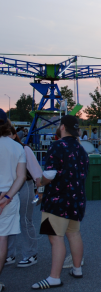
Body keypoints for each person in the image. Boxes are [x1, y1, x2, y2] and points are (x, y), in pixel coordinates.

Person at [31, 115, 88, 289]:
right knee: (74, 234)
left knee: (56, 238)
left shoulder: (57, 146)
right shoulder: (81, 149)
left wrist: (39, 182)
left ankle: (54, 277)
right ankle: (77, 269)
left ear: (62, 127)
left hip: (57, 200)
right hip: (77, 200)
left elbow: (49, 175)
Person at [6, 130, 43, 268]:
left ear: (14, 135)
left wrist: (40, 191)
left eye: (9, 133)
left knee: (25, 220)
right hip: (7, 187)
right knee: (6, 221)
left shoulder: (24, 148)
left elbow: (37, 172)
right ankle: (8, 254)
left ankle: (30, 254)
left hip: (24, 186)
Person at [0, 112, 27, 292]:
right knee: (2, 239)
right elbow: (21, 176)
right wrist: (8, 196)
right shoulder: (17, 147)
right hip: (6, 199)